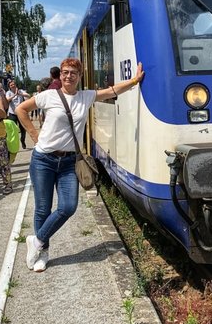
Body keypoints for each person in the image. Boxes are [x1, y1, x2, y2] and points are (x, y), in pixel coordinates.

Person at [16, 58, 144, 273]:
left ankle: (36, 241)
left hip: (69, 162)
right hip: (43, 160)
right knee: (42, 208)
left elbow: (112, 91)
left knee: (68, 206)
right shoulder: (48, 96)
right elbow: (21, 109)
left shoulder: (86, 97)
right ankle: (42, 253)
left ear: (80, 76)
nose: (68, 76)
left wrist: (134, 81)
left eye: (73, 72)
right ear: (61, 75)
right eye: (65, 72)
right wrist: (34, 134)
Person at [6, 80, 30, 149]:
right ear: (9, 87)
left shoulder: (20, 91)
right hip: (12, 113)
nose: (13, 86)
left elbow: (28, 95)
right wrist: (14, 95)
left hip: (20, 113)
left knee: (23, 128)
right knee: (13, 129)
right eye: (11, 85)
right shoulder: (8, 93)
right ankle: (13, 143)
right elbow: (7, 100)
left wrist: (21, 94)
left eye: (13, 84)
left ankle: (22, 140)